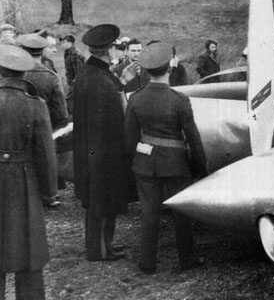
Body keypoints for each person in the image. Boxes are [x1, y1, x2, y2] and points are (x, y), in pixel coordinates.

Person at [124, 42, 208, 274]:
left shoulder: (136, 99)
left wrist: (141, 157)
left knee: (149, 213)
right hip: (176, 165)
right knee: (181, 214)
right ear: (169, 70)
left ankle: (147, 263)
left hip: (145, 166)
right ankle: (187, 260)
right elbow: (193, 138)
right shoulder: (180, 100)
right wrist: (200, 167)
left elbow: (130, 141)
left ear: (147, 71)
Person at [0, 44, 60, 300]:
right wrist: (49, 192)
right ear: (23, 73)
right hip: (22, 177)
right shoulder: (34, 105)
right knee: (28, 239)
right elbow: (46, 154)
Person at [74, 24, 135, 262]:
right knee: (101, 202)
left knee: (100, 201)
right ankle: (99, 250)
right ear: (108, 50)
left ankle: (103, 246)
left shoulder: (91, 73)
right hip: (103, 154)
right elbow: (112, 116)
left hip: (93, 152)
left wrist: (120, 80)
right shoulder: (99, 79)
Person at [18, 34, 69, 131]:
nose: (55, 50)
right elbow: (61, 114)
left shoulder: (14, 72)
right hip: (44, 130)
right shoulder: (51, 77)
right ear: (42, 50)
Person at [61, 34, 85, 113]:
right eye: (62, 42)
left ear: (71, 43)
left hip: (77, 82)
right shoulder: (67, 53)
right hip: (72, 81)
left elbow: (80, 71)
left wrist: (74, 85)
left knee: (70, 100)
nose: (63, 44)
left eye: (65, 42)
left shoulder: (75, 53)